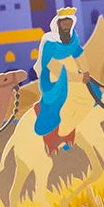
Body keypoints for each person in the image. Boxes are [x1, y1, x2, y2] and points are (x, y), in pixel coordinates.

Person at [34, 8, 94, 154]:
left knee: (90, 97)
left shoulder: (72, 39)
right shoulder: (49, 42)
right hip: (54, 79)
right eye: (64, 23)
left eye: (69, 23)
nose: (67, 26)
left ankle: (68, 131)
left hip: (73, 75)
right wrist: (78, 78)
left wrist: (85, 71)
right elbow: (53, 67)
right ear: (58, 24)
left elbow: (79, 53)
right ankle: (54, 136)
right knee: (63, 101)